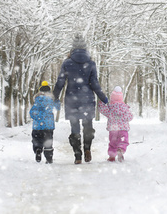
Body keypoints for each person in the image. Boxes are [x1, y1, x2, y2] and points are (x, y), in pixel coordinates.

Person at [53, 34, 109, 164]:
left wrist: (54, 96)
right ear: (85, 48)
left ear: (72, 48)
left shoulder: (67, 63)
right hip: (87, 99)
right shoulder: (91, 63)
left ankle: (78, 155)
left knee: (75, 128)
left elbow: (60, 81)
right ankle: (87, 148)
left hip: (71, 100)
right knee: (88, 126)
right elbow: (94, 83)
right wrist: (103, 98)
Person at [98, 86, 133, 162]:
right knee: (123, 141)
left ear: (112, 98)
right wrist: (123, 118)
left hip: (113, 129)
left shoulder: (110, 107)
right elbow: (130, 117)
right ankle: (121, 149)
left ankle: (112, 156)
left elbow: (103, 110)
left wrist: (101, 103)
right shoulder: (125, 108)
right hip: (123, 129)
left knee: (113, 143)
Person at [29, 81, 60, 164]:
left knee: (37, 139)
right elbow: (58, 107)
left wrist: (38, 118)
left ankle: (38, 149)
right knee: (48, 141)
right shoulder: (52, 99)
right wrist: (57, 100)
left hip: (37, 126)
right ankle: (49, 158)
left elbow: (32, 113)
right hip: (48, 125)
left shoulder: (37, 100)